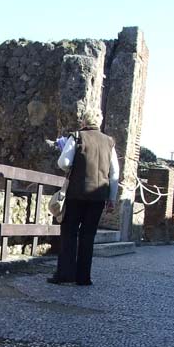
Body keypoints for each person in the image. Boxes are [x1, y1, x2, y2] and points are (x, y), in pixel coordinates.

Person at [48, 107, 120, 286]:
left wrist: (74, 167)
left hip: (76, 194)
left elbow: (63, 162)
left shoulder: (77, 137)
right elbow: (114, 173)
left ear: (84, 122)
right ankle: (83, 277)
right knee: (88, 236)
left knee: (69, 233)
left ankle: (65, 274)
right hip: (98, 197)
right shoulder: (109, 142)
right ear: (99, 122)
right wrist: (111, 198)